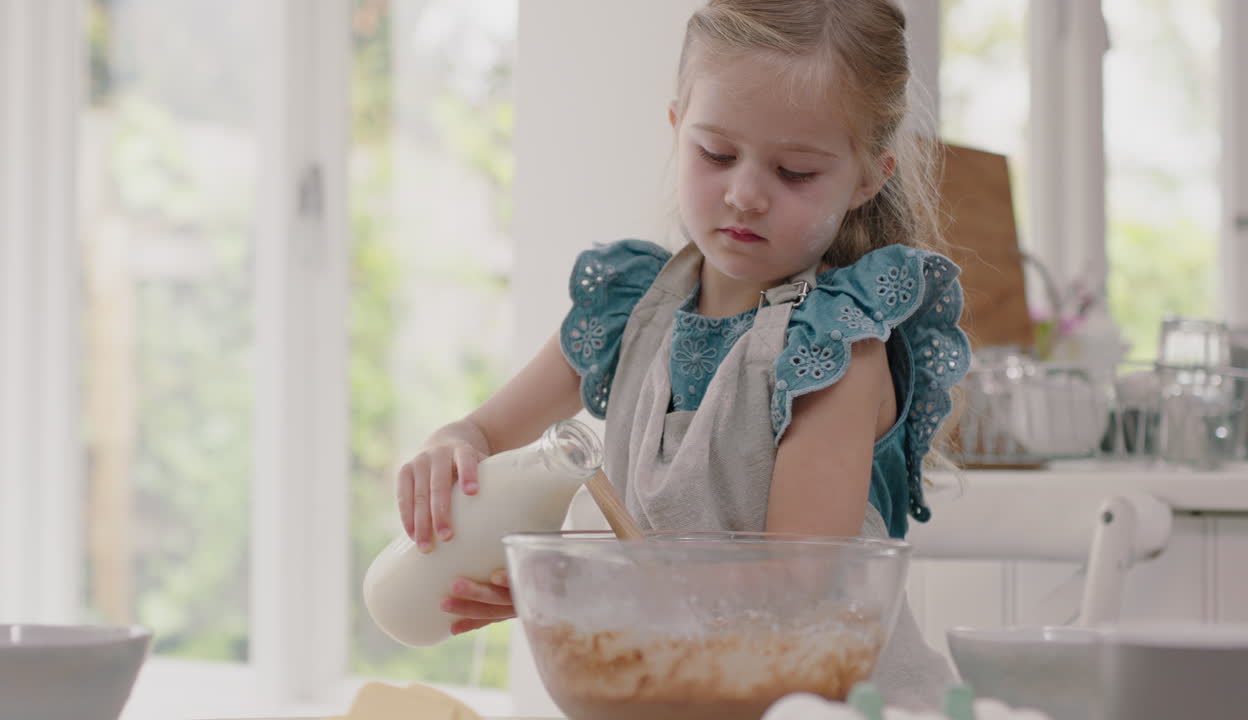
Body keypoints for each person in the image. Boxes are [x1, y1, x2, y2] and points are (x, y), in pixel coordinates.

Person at [397, 0, 969, 707]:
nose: (745, 193)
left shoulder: (837, 349)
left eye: (794, 172)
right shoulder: (628, 308)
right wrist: (452, 447)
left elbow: (793, 586)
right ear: (677, 128)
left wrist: (574, 585)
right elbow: (484, 435)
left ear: (866, 178)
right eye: (717, 154)